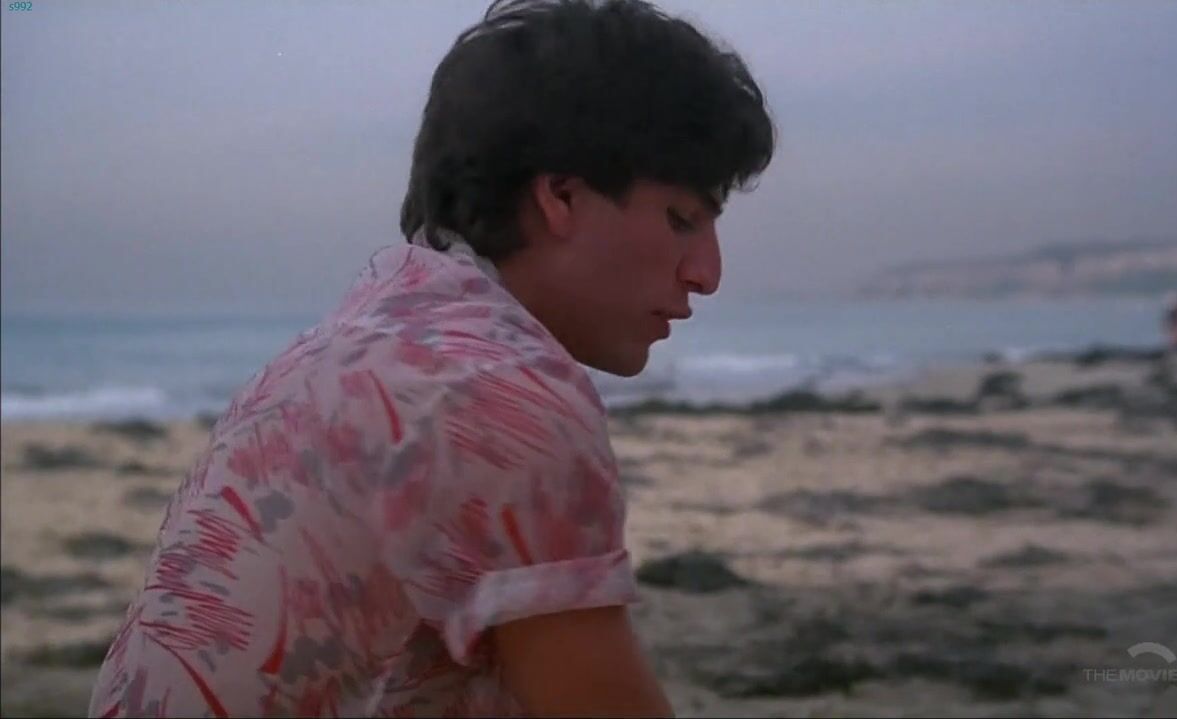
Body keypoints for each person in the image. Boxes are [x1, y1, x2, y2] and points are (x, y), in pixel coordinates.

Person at [87, 0, 774, 715]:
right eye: (681, 219)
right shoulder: (500, 392)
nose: (707, 272)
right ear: (561, 196)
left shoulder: (333, 356)